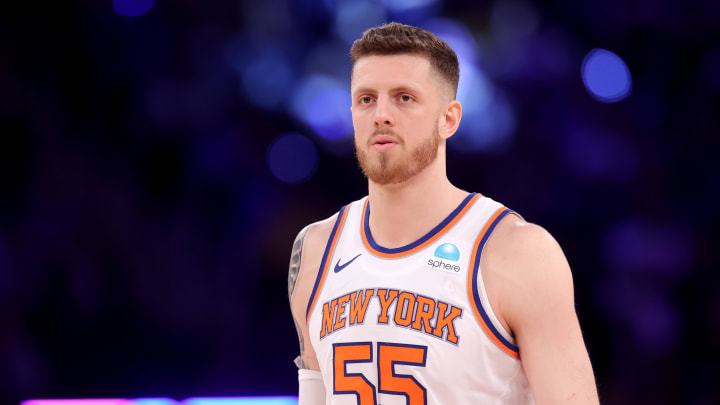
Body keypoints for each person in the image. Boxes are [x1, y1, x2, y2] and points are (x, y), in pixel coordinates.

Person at [288, 22, 599, 405]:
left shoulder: (517, 252)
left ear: (448, 119)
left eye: (404, 98)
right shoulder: (316, 249)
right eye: (367, 99)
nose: (381, 114)